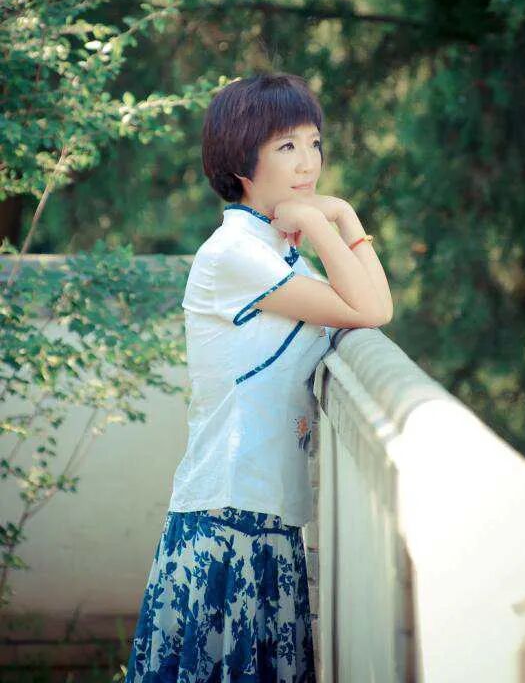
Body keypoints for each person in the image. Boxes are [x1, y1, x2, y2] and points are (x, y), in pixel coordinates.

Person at [125, 72, 393, 682]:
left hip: (266, 518)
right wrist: (325, 221)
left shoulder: (278, 254)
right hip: (228, 522)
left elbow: (373, 304)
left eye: (314, 143)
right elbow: (371, 308)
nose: (308, 163)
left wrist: (342, 214)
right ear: (242, 160)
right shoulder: (235, 254)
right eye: (286, 146)